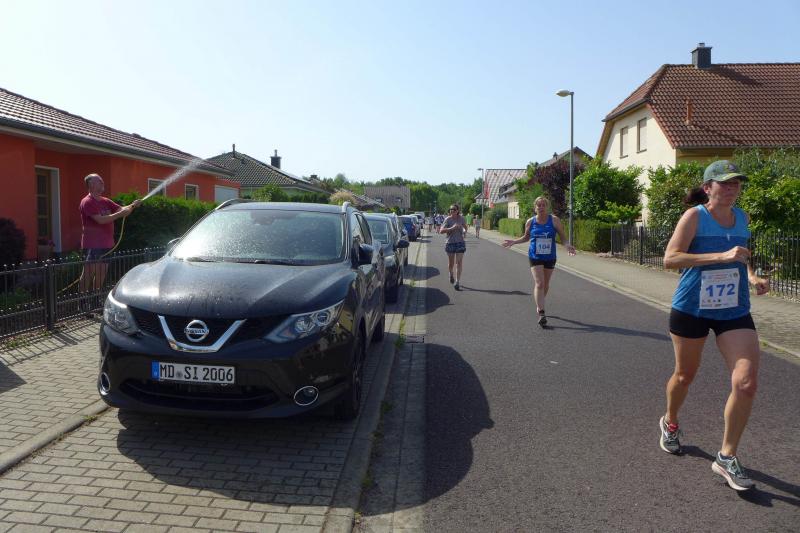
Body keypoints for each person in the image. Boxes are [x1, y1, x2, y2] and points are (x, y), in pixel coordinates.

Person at [658, 160, 768, 491]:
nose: (733, 188)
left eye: (737, 183)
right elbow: (670, 258)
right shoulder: (694, 217)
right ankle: (670, 421)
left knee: (746, 382)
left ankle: (726, 456)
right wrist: (719, 257)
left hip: (734, 309)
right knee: (684, 376)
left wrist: (751, 276)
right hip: (692, 308)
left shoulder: (742, 217)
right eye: (725, 183)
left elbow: (740, 255)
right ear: (708, 188)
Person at [502, 196, 575, 326]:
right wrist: (514, 242)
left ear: (547, 207)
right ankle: (541, 312)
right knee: (540, 283)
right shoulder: (530, 222)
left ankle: (539, 301)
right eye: (538, 205)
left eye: (543, 205)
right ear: (535, 208)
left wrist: (567, 245)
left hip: (550, 256)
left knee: (546, 284)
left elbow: (563, 238)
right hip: (535, 256)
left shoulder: (554, 220)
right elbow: (526, 237)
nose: (541, 207)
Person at [80, 173, 141, 295]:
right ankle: (80, 302)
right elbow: (101, 220)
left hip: (107, 245)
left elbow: (122, 210)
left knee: (101, 273)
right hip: (92, 245)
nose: (102, 182)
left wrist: (133, 205)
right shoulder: (87, 202)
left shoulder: (105, 201)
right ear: (91, 184)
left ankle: (95, 300)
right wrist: (120, 214)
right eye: (99, 181)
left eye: (101, 180)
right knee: (88, 274)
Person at [439, 204, 467, 290]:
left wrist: (464, 231)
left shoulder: (462, 218)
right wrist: (452, 228)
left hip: (460, 243)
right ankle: (451, 274)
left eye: (454, 209)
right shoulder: (448, 219)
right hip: (450, 243)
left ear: (457, 211)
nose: (452, 211)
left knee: (459, 263)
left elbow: (465, 227)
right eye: (450, 209)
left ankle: (457, 282)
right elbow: (441, 231)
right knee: (451, 263)